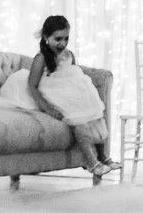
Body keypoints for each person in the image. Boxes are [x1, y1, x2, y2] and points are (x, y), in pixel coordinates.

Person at [27, 16, 119, 176]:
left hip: (68, 95)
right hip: (52, 94)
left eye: (66, 39)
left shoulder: (69, 55)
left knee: (95, 113)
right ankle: (91, 162)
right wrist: (47, 108)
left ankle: (103, 156)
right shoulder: (41, 58)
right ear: (46, 37)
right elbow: (32, 85)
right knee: (78, 120)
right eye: (58, 39)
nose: (62, 43)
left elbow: (74, 76)